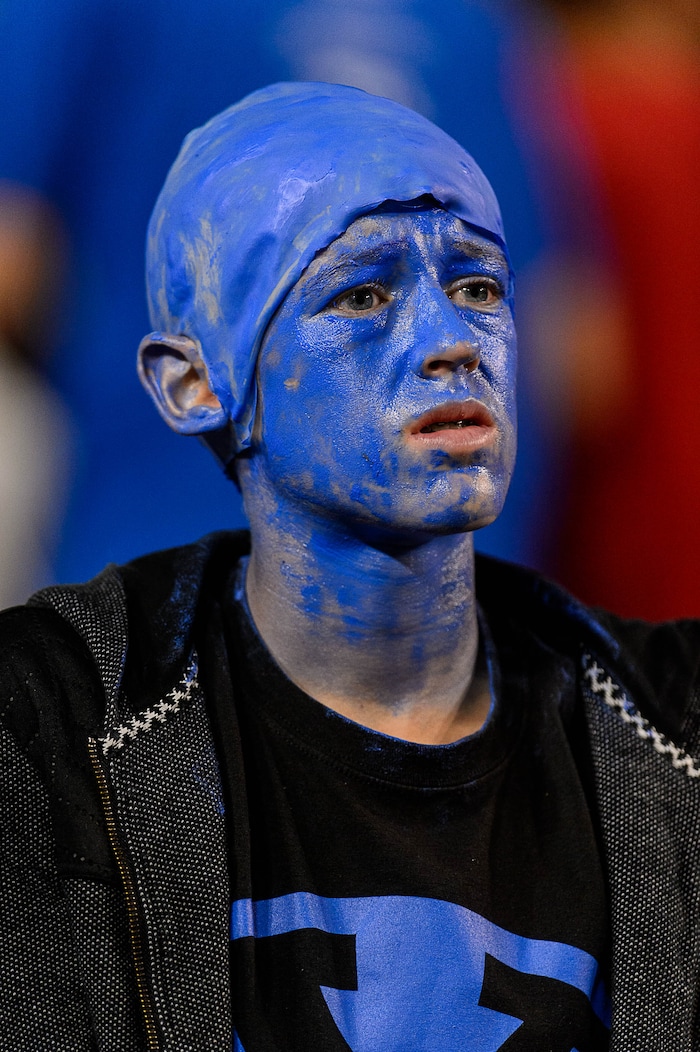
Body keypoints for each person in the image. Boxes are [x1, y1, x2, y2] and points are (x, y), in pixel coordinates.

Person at [1, 82, 699, 1051]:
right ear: (194, 382)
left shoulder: (676, 723)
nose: (451, 343)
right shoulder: (44, 723)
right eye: (363, 295)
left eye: (478, 287)